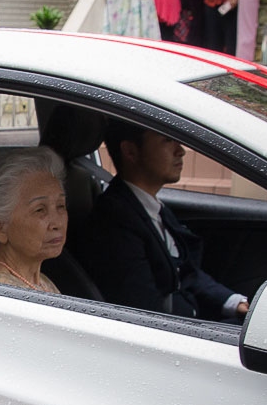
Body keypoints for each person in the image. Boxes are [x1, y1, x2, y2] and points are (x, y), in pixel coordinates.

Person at [76, 120, 249, 320]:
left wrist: (234, 302)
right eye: (167, 140)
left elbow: (184, 271)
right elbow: (146, 312)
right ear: (131, 151)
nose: (180, 151)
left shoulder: (148, 206)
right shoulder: (115, 224)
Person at [0, 147, 67, 294]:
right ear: (0, 227)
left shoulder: (41, 281)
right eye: (40, 210)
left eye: (61, 206)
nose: (58, 224)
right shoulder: (1, 294)